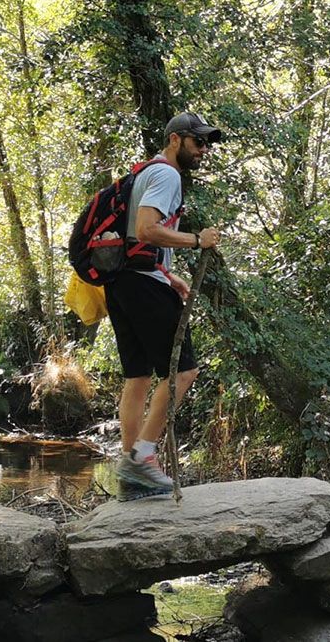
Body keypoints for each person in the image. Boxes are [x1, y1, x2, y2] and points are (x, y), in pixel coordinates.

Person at [107, 112, 223, 494]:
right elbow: (146, 229)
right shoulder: (168, 175)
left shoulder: (144, 172)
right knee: (184, 373)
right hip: (143, 286)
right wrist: (197, 240)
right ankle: (142, 458)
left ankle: (130, 470)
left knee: (137, 376)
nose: (203, 150)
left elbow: (133, 238)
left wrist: (168, 274)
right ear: (175, 140)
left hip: (123, 281)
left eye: (206, 143)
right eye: (197, 142)